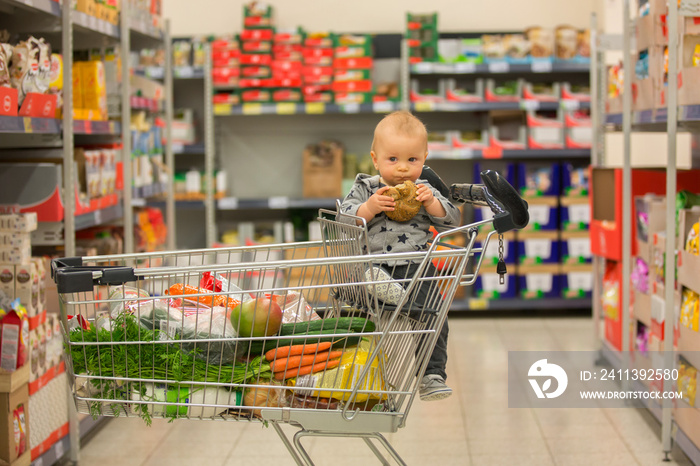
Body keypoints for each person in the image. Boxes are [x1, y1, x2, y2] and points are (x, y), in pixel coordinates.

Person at [340, 110, 461, 401]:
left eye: (413, 160)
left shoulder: (425, 190)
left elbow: (453, 221)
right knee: (359, 317)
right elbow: (343, 220)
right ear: (375, 159)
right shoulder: (366, 187)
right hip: (374, 266)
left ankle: (432, 375)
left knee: (434, 315)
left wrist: (432, 204)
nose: (403, 169)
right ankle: (360, 375)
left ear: (424, 158)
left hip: (417, 267)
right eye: (393, 159)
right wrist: (368, 208)